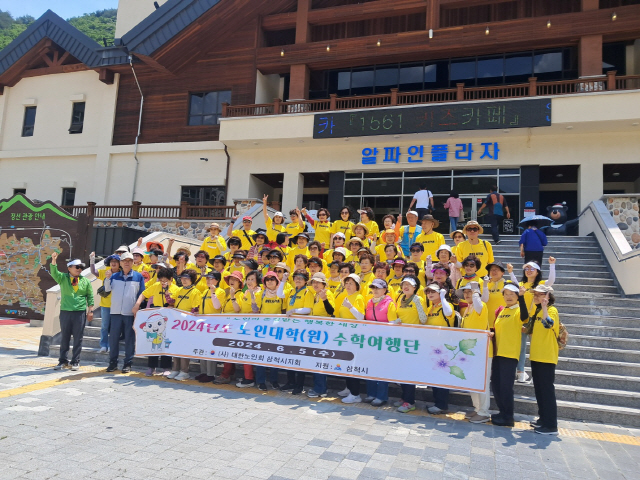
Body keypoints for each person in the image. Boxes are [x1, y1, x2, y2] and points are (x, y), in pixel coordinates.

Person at [491, 282, 529, 427]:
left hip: (509, 354)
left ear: (517, 296)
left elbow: (525, 317)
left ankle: (508, 416)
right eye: (506, 294)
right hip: (498, 353)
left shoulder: (519, 310)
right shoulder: (502, 311)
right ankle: (502, 412)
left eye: (512, 294)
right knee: (496, 384)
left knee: (506, 387)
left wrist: (523, 297)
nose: (508, 297)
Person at [132, 266, 180, 377]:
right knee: (153, 342)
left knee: (166, 342)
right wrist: (137, 304)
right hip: (156, 315)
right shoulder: (156, 286)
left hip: (169, 316)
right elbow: (144, 294)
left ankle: (166, 367)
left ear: (171, 279)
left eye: (165, 281)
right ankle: (151, 367)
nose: (163, 283)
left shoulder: (176, 289)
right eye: (161, 280)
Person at [50, 253, 94, 371]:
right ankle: (62, 361)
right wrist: (54, 260)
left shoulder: (85, 281)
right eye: (77, 267)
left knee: (78, 338)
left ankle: (75, 361)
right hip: (65, 312)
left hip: (79, 313)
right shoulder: (63, 278)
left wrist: (90, 310)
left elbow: (90, 296)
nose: (79, 269)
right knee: (65, 337)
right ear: (69, 268)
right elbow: (54, 273)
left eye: (81, 267)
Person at [516, 257, 557, 383]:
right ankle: (521, 372)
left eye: (532, 268)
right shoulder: (521, 284)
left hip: (538, 319)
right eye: (526, 268)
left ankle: (536, 374)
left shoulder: (541, 284)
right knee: (521, 347)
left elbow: (551, 281)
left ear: (537, 271)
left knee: (536, 346)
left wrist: (552, 265)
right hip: (523, 319)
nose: (528, 271)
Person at [105, 252, 146, 373]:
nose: (127, 262)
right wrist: (107, 279)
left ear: (133, 263)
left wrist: (137, 306)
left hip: (130, 313)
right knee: (113, 339)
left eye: (129, 260)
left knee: (129, 339)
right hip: (115, 312)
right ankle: (113, 362)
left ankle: (128, 363)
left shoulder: (138, 277)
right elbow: (107, 290)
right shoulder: (114, 276)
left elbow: (142, 293)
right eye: (124, 261)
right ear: (120, 263)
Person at [527, 284, 560, 435]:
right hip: (537, 355)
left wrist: (545, 307)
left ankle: (551, 425)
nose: (536, 297)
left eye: (540, 295)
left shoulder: (551, 310)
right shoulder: (538, 310)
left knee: (546, 390)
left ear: (547, 296)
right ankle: (543, 419)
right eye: (535, 294)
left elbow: (549, 324)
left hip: (546, 356)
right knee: (539, 390)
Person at [458, 283, 492, 423]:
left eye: (470, 292)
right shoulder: (468, 309)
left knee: (482, 382)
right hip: (470, 351)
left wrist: (476, 291)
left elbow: (479, 303)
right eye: (465, 292)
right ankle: (477, 408)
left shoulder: (480, 306)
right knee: (472, 381)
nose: (467, 295)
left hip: (482, 350)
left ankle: (484, 412)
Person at [393, 275, 427, 413]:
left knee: (408, 371)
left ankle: (410, 401)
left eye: (409, 284)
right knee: (401, 369)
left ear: (415, 287)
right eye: (404, 284)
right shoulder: (400, 299)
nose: (405, 286)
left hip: (413, 340)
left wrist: (418, 304)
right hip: (401, 338)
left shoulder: (418, 299)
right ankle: (404, 397)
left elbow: (424, 319)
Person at [278, 269, 314, 394]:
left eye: (301, 277)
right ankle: (290, 382)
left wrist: (294, 310)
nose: (298, 280)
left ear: (305, 280)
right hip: (289, 328)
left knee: (299, 357)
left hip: (301, 329)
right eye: (296, 277)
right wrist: (283, 280)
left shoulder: (307, 292)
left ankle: (299, 385)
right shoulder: (292, 291)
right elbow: (279, 294)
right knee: (289, 355)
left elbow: (308, 309)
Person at [423, 282, 457, 414]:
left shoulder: (445, 306)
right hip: (433, 348)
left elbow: (448, 312)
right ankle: (437, 402)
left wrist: (443, 297)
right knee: (435, 376)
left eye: (433, 292)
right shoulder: (430, 308)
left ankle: (442, 405)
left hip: (444, 348)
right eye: (428, 292)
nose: (430, 294)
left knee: (441, 376)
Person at [363, 279, 398, 406]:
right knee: (371, 366)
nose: (375, 290)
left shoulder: (389, 303)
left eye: (378, 288)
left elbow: (393, 323)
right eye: (373, 288)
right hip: (371, 341)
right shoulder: (369, 302)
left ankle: (381, 396)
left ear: (385, 289)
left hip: (384, 340)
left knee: (382, 368)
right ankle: (371, 393)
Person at [335, 273, 366, 404]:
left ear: (357, 286)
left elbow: (361, 317)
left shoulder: (358, 297)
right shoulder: (346, 297)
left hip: (354, 337)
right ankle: (349, 388)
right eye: (346, 283)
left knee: (352, 365)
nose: (348, 285)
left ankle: (355, 394)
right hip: (344, 336)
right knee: (346, 363)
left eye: (351, 283)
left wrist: (351, 307)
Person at [167, 270, 202, 381]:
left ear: (192, 279)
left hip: (187, 325)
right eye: (182, 278)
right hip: (177, 324)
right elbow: (172, 301)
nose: (184, 280)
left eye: (186, 278)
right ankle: (175, 369)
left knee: (184, 348)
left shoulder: (195, 291)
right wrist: (167, 295)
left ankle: (184, 371)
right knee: (175, 347)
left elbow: (195, 308)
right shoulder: (180, 290)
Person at [306, 272, 336, 399]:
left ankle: (320, 389)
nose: (315, 284)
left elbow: (331, 311)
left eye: (318, 282)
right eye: (313, 282)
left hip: (324, 332)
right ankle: (320, 388)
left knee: (319, 360)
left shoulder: (327, 293)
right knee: (316, 360)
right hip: (316, 332)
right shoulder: (315, 295)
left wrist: (324, 299)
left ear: (324, 283)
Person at [255, 271, 285, 391]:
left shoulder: (282, 294)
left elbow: (284, 310)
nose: (270, 281)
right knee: (261, 355)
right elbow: (256, 310)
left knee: (274, 356)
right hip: (263, 329)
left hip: (277, 329)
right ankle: (261, 381)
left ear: (277, 281)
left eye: (273, 279)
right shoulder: (261, 294)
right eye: (267, 279)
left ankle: (274, 380)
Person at [196, 271, 226, 383]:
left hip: (213, 324)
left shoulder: (220, 291)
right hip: (203, 323)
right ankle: (203, 372)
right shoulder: (204, 291)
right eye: (207, 278)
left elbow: (217, 306)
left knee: (210, 349)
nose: (208, 280)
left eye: (211, 278)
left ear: (217, 280)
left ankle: (210, 374)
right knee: (203, 348)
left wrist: (213, 293)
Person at [90, 252, 120, 353]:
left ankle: (112, 346)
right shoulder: (105, 272)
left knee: (114, 328)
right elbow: (94, 272)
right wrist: (92, 260)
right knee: (104, 326)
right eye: (112, 261)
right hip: (105, 304)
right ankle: (103, 345)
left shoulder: (122, 273)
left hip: (117, 305)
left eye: (116, 262)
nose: (114, 263)